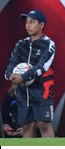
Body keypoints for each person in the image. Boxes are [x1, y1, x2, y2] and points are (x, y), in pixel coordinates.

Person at [4, 9, 56, 138]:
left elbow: (42, 66)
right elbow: (12, 61)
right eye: (26, 22)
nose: (28, 25)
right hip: (23, 93)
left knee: (44, 125)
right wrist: (9, 75)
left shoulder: (48, 44)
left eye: (32, 22)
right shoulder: (21, 44)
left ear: (41, 25)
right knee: (27, 126)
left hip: (42, 91)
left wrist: (23, 77)